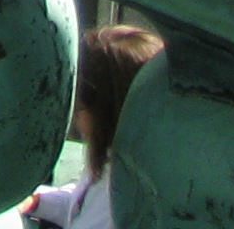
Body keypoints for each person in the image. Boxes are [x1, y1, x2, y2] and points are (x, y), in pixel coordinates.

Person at [25, 23, 165, 228]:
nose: (74, 117)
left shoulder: (135, 195)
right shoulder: (115, 159)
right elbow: (82, 204)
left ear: (108, 113)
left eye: (79, 108)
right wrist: (37, 202)